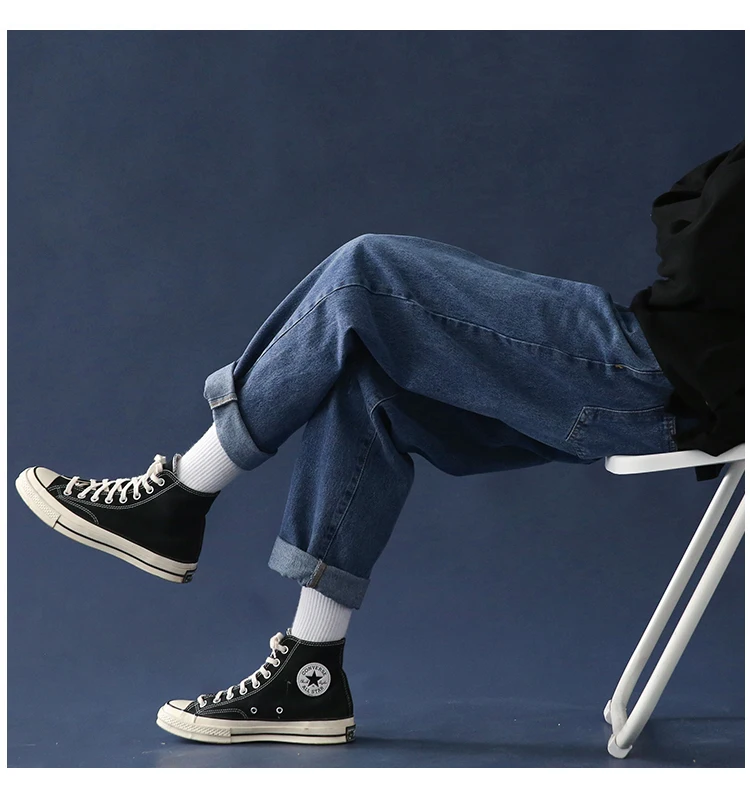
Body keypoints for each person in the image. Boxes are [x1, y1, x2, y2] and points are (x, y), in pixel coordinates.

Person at [15, 140, 744, 746]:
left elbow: (701, 241)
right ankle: (311, 675)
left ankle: (182, 495)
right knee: (368, 386)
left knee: (366, 270)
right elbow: (692, 218)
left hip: (660, 372)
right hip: (668, 370)